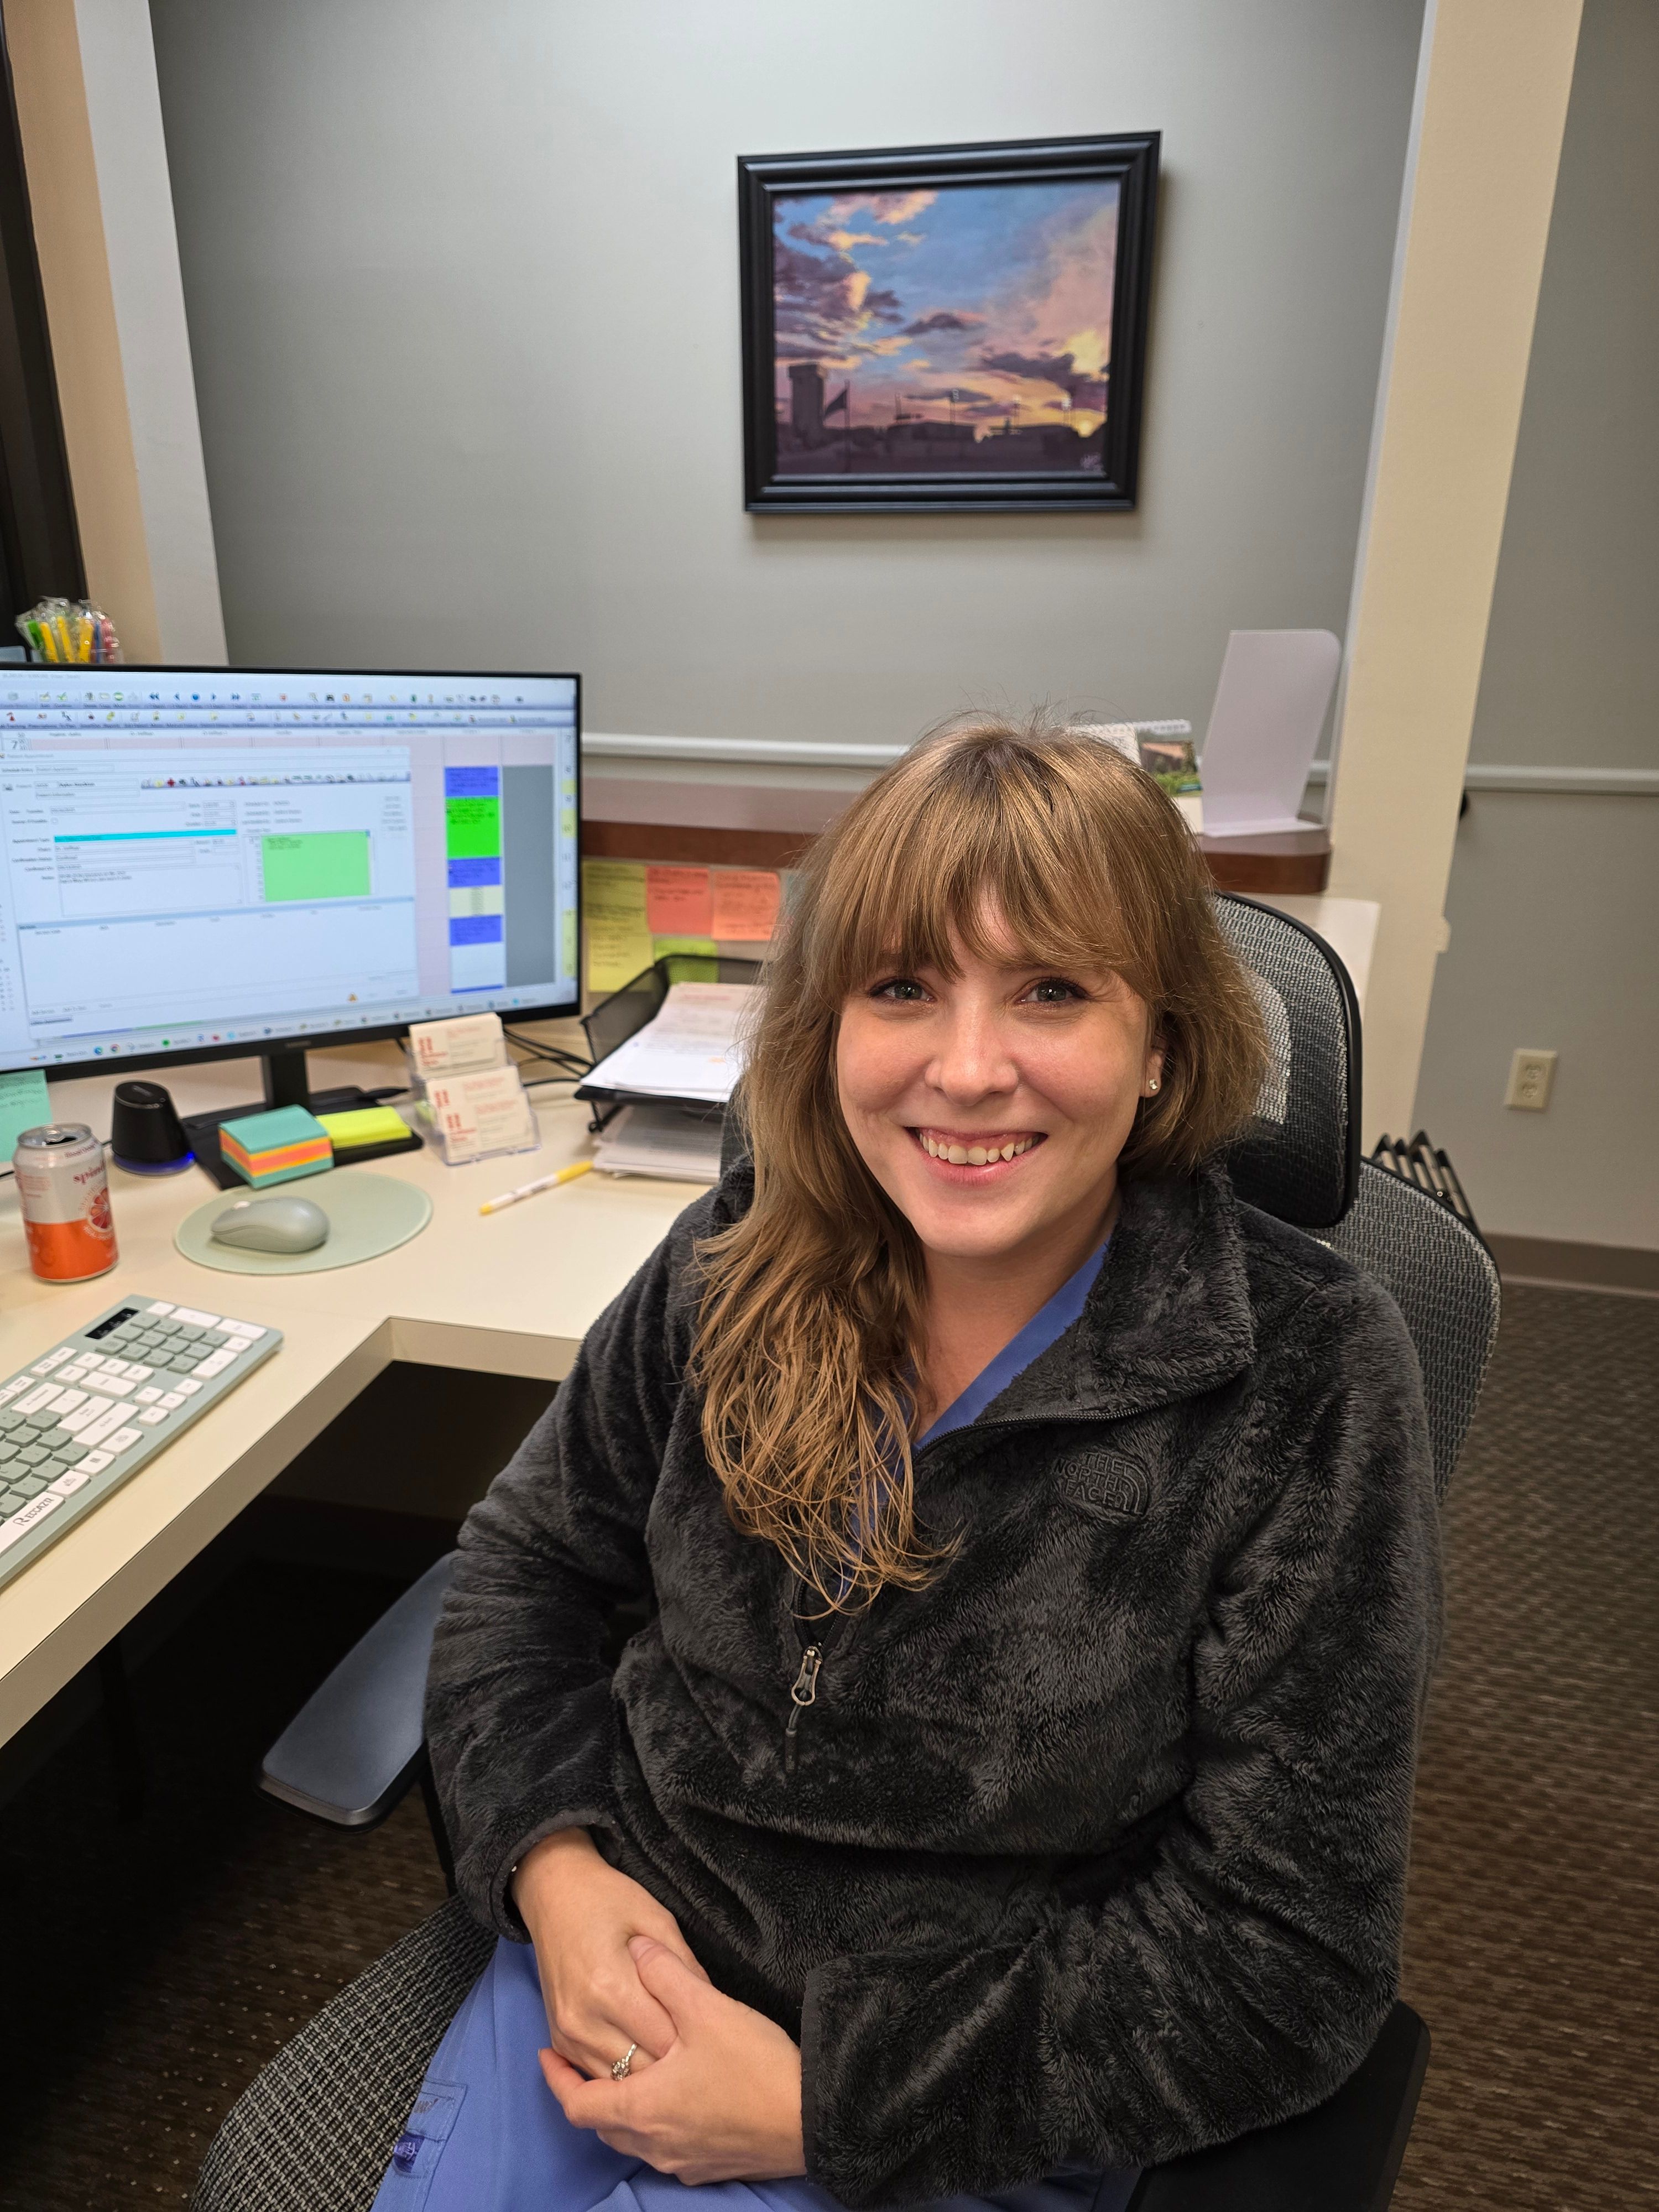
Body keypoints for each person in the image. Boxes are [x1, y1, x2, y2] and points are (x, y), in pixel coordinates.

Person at [377, 717, 1441, 2212]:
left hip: (965, 2091)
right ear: (829, 1028)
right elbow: (523, 1574)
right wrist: (556, 1875)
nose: (968, 1068)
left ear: (1162, 1045)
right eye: (902, 988)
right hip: (612, 1980)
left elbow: (1287, 1956)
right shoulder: (732, 1264)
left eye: (1052, 991)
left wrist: (828, 2108)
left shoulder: (1304, 1372)